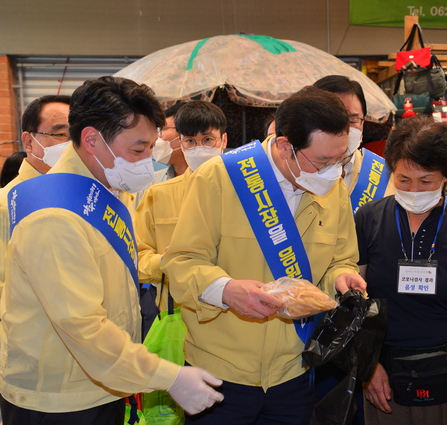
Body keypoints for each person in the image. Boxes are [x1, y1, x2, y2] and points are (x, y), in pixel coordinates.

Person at [0, 76, 224, 425]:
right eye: (138, 150)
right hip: (61, 400)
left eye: (151, 148)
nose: (148, 161)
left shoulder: (99, 192)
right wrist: (169, 377)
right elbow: (83, 326)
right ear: (91, 140)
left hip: (101, 382)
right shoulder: (55, 215)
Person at [162, 86, 366, 425]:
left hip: (293, 370)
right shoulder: (220, 176)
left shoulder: (334, 189)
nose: (334, 171)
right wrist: (225, 290)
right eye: (323, 161)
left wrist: (341, 277)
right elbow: (181, 261)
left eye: (340, 159)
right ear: (286, 146)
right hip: (220, 371)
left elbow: (340, 259)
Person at [356, 115, 447, 425]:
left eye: (426, 181)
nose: (414, 191)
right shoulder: (369, 219)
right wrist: (368, 366)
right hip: (384, 376)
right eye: (403, 180)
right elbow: (357, 299)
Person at [136, 100, 227, 317]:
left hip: (232, 313)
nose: (199, 148)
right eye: (190, 141)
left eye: (207, 140)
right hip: (175, 313)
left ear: (224, 139)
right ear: (181, 144)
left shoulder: (247, 192)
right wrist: (163, 262)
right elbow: (137, 256)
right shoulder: (157, 195)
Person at [0, 95, 71, 297]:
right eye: (61, 134)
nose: (71, 145)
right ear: (28, 142)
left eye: (77, 135)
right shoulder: (6, 205)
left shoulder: (82, 196)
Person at [313, 75, 392, 214]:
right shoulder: (293, 171)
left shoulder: (383, 174)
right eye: (331, 119)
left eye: (352, 120)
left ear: (363, 121)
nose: (342, 129)